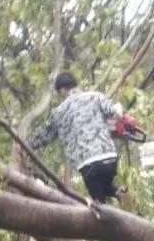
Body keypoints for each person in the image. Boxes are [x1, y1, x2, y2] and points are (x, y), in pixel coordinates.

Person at [30, 72, 124, 203]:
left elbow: (44, 136)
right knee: (106, 187)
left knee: (99, 204)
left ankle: (105, 210)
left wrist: (27, 144)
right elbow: (116, 113)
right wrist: (118, 108)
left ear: (62, 90)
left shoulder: (59, 111)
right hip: (110, 158)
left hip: (88, 163)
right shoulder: (95, 96)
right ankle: (119, 192)